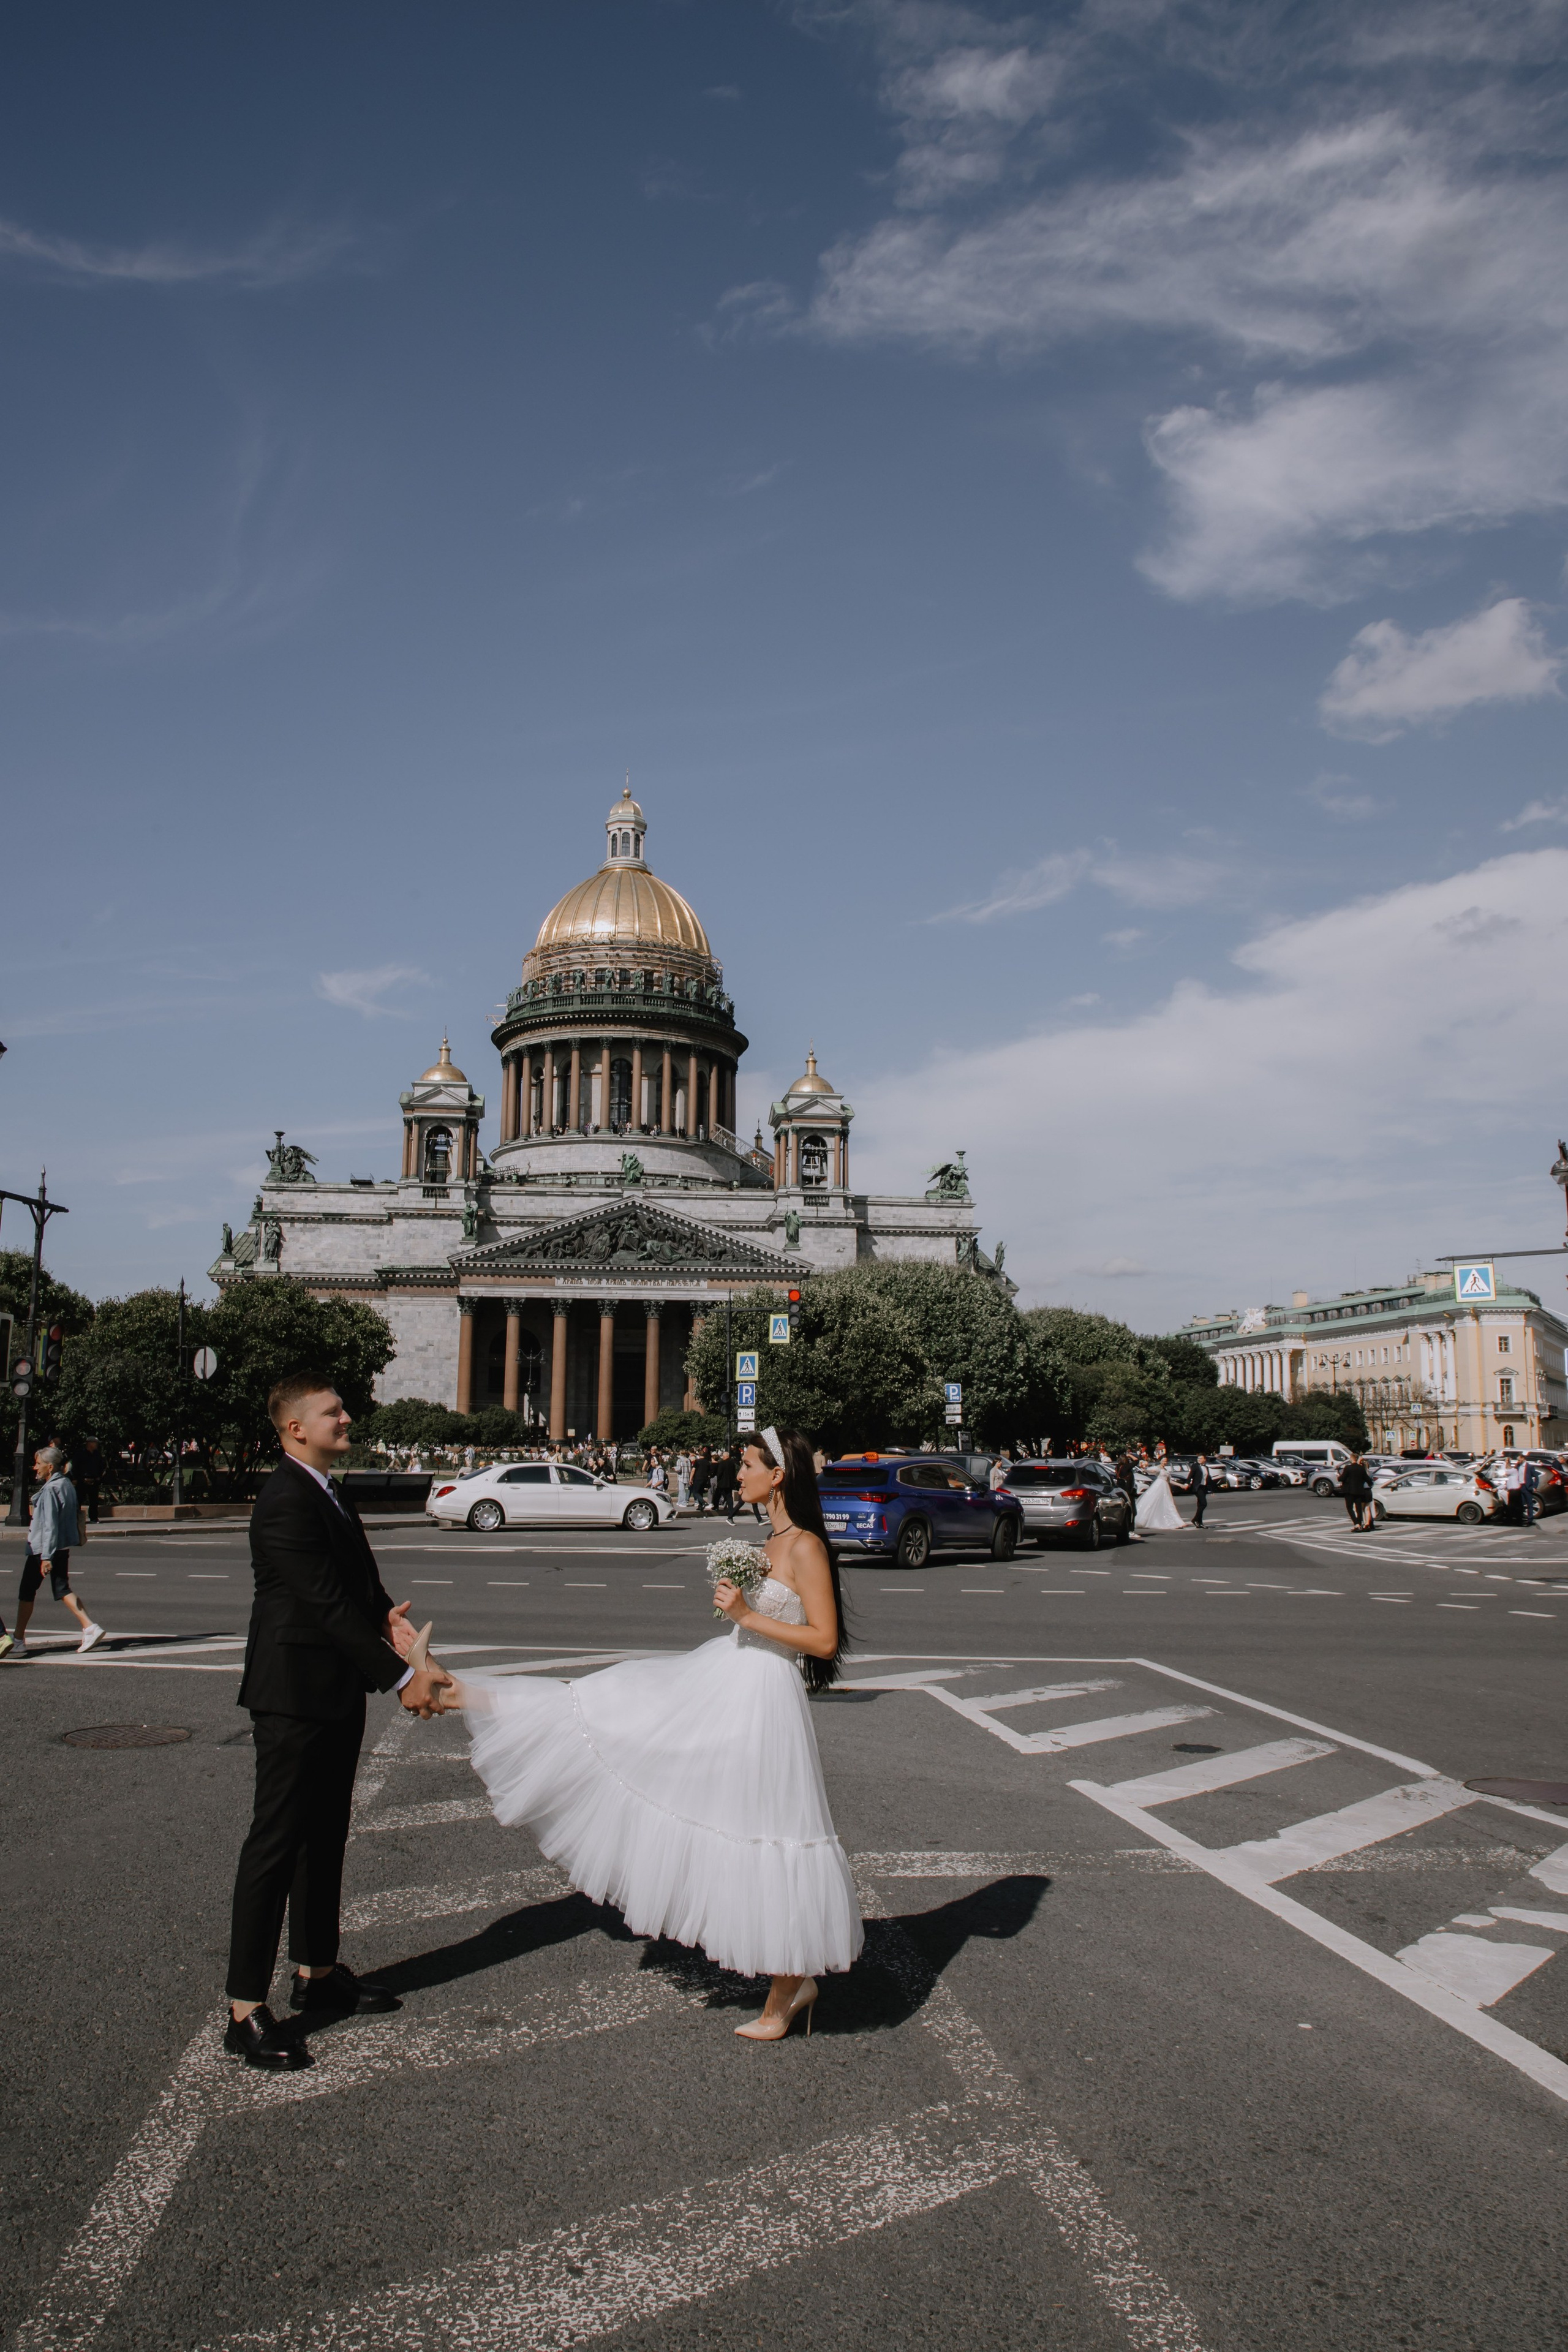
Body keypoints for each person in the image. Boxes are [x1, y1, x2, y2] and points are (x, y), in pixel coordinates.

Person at [449, 1425, 861, 2041]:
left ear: (777, 1476)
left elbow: (824, 1641)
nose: (737, 1473)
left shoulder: (803, 1545)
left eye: (748, 1465)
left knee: (768, 1827)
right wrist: (738, 1611)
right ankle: (459, 1692)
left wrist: (746, 1614)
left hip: (764, 1696)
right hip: (730, 1677)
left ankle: (788, 1988)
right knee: (617, 1714)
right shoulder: (771, 1539)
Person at [223, 1375, 451, 2072]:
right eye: (333, 1412)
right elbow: (321, 1602)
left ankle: (317, 1972)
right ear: (296, 1428)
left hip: (332, 1689)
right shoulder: (284, 1499)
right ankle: (244, 2008)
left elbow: (354, 1581)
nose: (347, 1418)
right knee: (275, 1843)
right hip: (293, 1694)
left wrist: (386, 1616)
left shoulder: (326, 1488)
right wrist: (402, 1678)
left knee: (324, 1836)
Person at [12, 1447, 102, 1656]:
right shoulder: (66, 1484)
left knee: (27, 1593)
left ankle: (18, 1639)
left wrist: (45, 1557)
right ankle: (90, 1627)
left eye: (39, 1464)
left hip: (43, 1550)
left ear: (50, 1467)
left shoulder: (51, 1490)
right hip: (61, 1547)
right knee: (62, 1589)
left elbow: (49, 1525)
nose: (35, 1468)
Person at [1136, 1456, 1186, 1532]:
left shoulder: (1165, 1470)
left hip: (1165, 1488)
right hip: (1158, 1486)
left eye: (1166, 1461)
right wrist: (1145, 1468)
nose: (1164, 1463)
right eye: (1163, 1461)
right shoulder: (1158, 1468)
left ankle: (1177, 1521)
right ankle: (1144, 1519)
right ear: (1160, 1461)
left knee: (1168, 1504)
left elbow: (1170, 1481)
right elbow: (1151, 1471)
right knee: (1152, 1502)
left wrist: (1180, 1485)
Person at [73, 1435, 110, 1523]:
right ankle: (76, 1518)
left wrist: (99, 1477)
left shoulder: (97, 1455)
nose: (97, 1445)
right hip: (82, 1480)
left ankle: (94, 1518)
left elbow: (102, 1466)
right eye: (95, 1443)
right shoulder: (80, 1454)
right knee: (79, 1500)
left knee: (94, 1501)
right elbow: (75, 1467)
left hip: (94, 1481)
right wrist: (76, 1478)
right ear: (90, 1443)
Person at [1341, 1452, 1374, 1532]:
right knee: (1359, 1508)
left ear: (1351, 1459)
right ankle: (1361, 1524)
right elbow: (1368, 1479)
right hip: (1360, 1491)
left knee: (1350, 1508)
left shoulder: (1348, 1468)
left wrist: (1338, 1477)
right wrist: (1370, 1485)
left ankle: (1357, 1524)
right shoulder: (1361, 1468)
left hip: (1349, 1491)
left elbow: (1342, 1478)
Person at [712, 1447, 738, 1520]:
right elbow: (734, 1473)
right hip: (730, 1483)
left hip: (722, 1482)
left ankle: (716, 1506)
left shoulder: (722, 1463)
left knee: (717, 1495)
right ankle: (731, 1510)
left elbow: (719, 1473)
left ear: (724, 1456)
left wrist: (718, 1479)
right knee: (729, 1497)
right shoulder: (732, 1463)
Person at [1189, 1451, 1211, 1529]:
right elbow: (1190, 1475)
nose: (1199, 1460)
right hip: (1197, 1487)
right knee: (1204, 1503)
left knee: (1200, 1505)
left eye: (1201, 1458)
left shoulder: (1206, 1467)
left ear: (1205, 1460)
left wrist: (1212, 1489)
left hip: (1204, 1487)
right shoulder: (1195, 1466)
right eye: (1198, 1458)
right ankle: (1195, 1519)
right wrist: (1186, 1484)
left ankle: (1200, 1522)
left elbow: (1208, 1478)